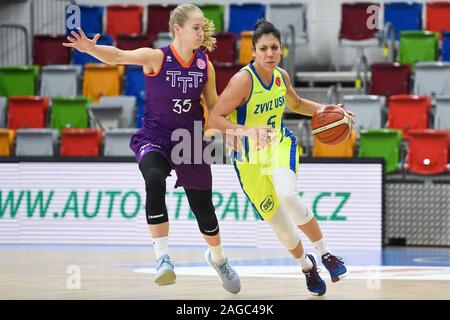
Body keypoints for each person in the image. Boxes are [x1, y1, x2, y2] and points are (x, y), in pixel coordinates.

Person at [63, 4, 240, 294]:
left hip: (190, 141)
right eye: (196, 27)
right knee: (154, 180)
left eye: (202, 28)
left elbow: (213, 108)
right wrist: (89, 49)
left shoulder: (203, 65)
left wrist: (232, 132)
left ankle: (219, 260)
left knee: (204, 211)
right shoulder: (156, 57)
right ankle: (163, 258)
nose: (201, 32)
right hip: (155, 137)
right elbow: (118, 56)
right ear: (178, 30)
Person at [208, 19, 355, 296]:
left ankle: (326, 254)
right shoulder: (242, 81)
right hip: (248, 159)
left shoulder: (281, 77)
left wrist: (331, 110)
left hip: (279, 144)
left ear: (281, 49)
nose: (269, 53)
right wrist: (248, 131)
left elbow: (297, 104)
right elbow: (215, 118)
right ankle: (307, 267)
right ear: (253, 52)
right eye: (263, 48)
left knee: (288, 195)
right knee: (282, 227)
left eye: (274, 47)